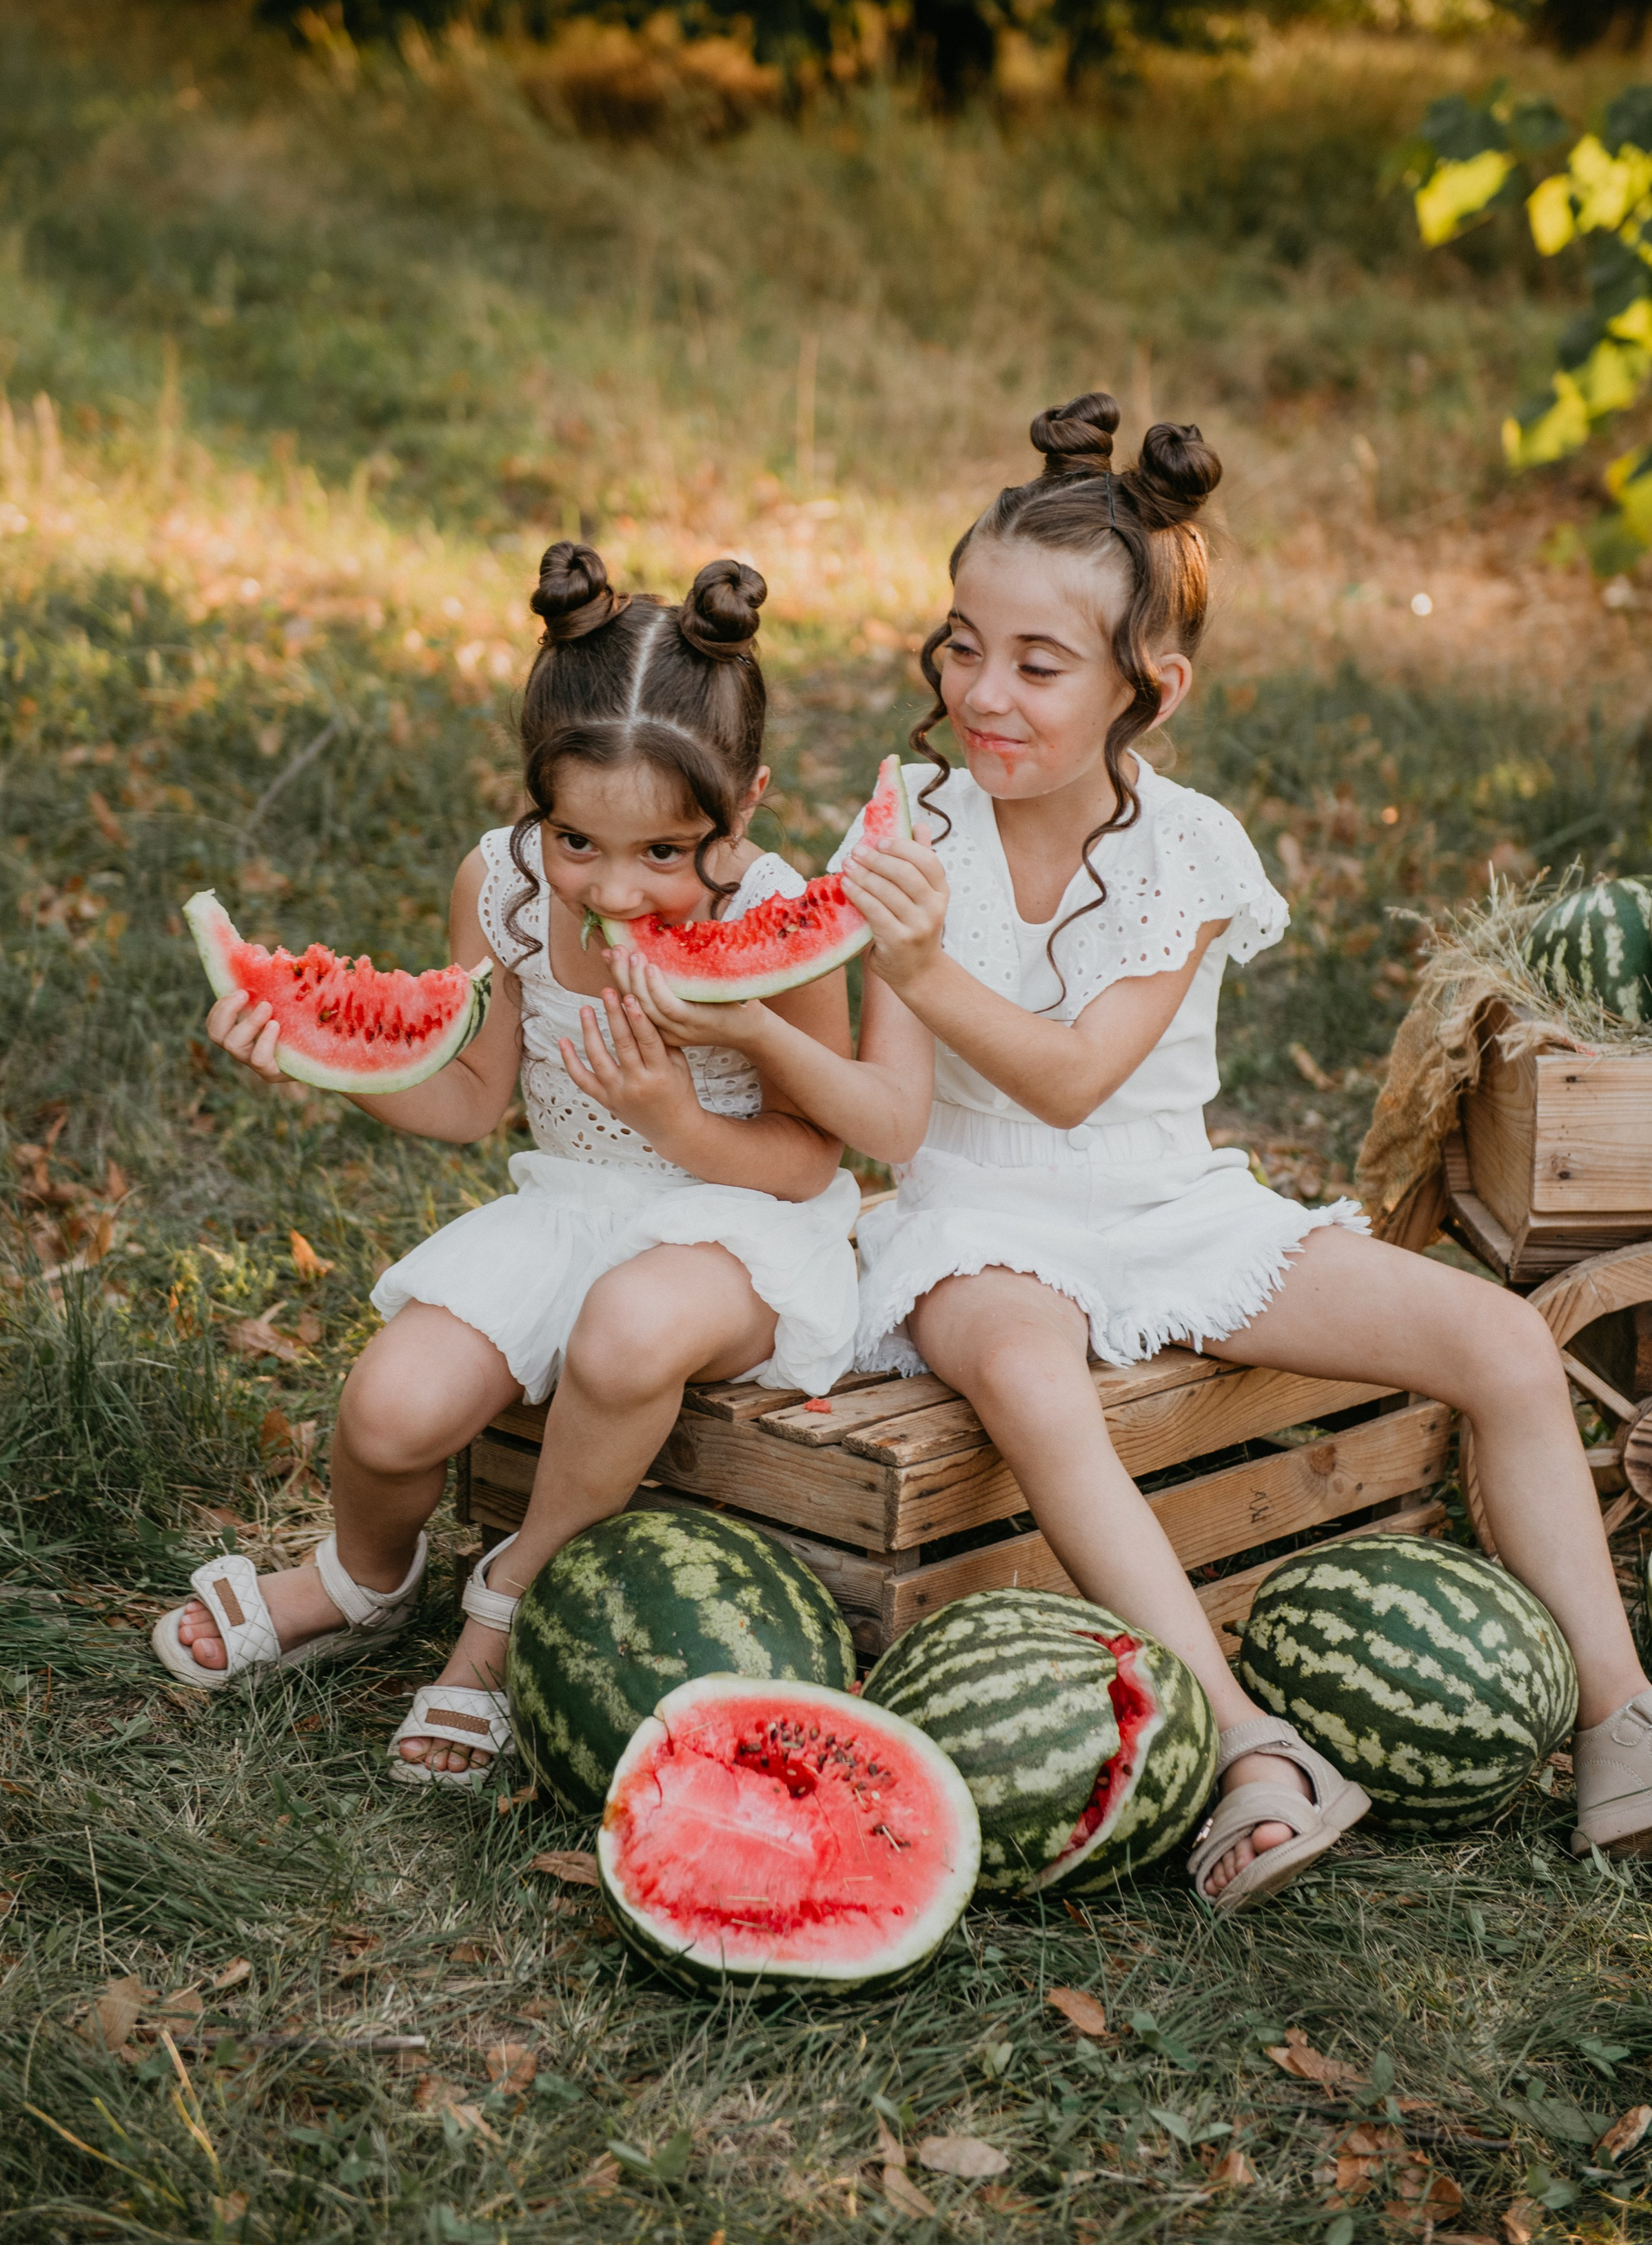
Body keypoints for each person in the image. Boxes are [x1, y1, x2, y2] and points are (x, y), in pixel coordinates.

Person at [615, 395, 1652, 1911]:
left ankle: (1620, 1713)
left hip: (1169, 1205)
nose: (983, 688)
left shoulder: (1191, 852)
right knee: (1026, 1371)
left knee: (1497, 1339)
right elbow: (903, 1123)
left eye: (1038, 663)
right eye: (961, 642)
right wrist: (768, 1030)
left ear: (1145, 688)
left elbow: (1079, 1076)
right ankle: (1249, 1745)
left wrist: (914, 970)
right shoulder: (910, 831)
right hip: (972, 1218)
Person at [151, 542, 861, 1783]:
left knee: (629, 1331)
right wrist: (325, 1058)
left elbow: (809, 1159)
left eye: (665, 853)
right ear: (537, 801)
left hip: (741, 1229)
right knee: (387, 1411)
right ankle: (363, 1574)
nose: (617, 891)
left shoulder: (783, 912)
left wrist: (678, 1119)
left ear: (746, 806)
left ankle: (508, 1602)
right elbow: (477, 1101)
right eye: (578, 840)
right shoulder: (504, 887)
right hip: (572, 1208)